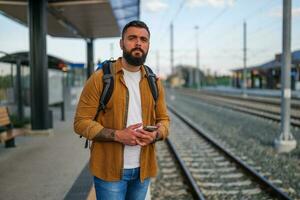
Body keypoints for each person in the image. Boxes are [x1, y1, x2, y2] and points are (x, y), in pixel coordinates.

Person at [73, 20, 170, 200]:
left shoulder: (154, 81)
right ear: (121, 43)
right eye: (132, 38)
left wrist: (156, 134)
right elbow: (80, 122)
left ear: (148, 45)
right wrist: (118, 135)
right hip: (109, 171)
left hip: (143, 170)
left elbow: (164, 120)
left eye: (143, 39)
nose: (138, 43)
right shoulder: (101, 78)